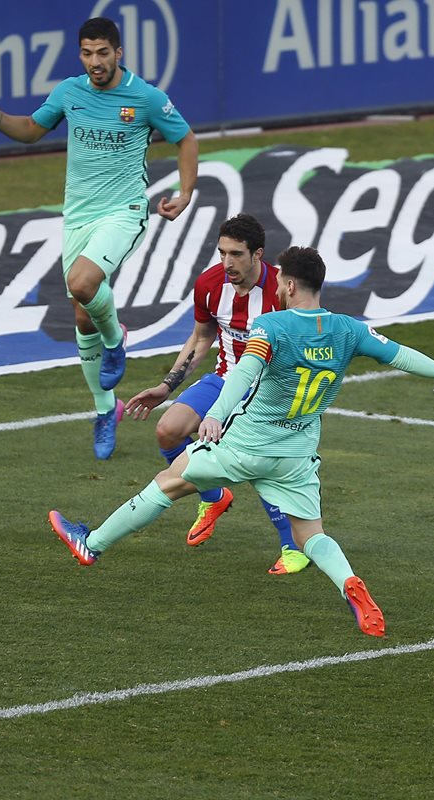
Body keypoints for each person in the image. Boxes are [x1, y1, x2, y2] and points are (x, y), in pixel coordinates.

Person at [49, 246, 434, 637]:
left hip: (245, 444)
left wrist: (216, 416)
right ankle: (348, 584)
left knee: (170, 481)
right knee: (311, 536)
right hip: (296, 455)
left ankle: (93, 543)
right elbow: (405, 357)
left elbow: (243, 372)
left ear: (286, 282)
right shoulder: (349, 329)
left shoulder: (272, 326)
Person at [0, 16, 198, 460]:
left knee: (83, 284)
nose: (95, 62)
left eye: (102, 53)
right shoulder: (70, 92)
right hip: (78, 217)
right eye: (87, 53)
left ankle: (116, 342)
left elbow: (185, 139)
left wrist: (184, 193)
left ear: (118, 53)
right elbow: (31, 130)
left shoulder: (145, 97)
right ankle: (107, 409)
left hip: (124, 212)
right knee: (82, 313)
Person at [123, 214, 308, 575]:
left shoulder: (284, 290)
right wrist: (167, 386)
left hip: (269, 391)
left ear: (258, 255)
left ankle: (293, 545)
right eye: (222, 253)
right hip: (224, 378)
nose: (227, 263)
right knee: (168, 430)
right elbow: (202, 337)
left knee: (258, 464)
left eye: (236, 254)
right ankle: (214, 497)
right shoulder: (210, 283)